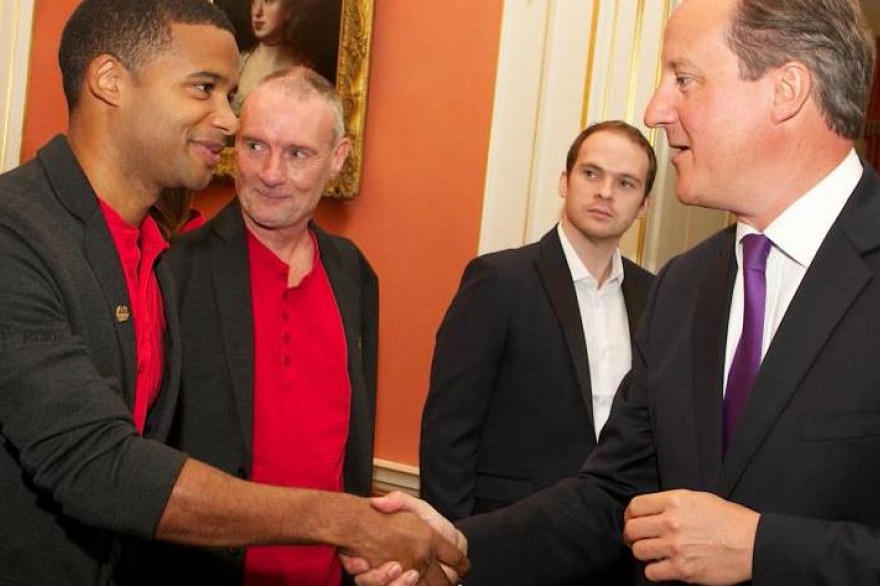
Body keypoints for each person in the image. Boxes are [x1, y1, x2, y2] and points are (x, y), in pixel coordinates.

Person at [347, 0, 880, 584]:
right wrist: (456, 548)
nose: (656, 110)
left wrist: (763, 548)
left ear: (786, 90)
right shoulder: (684, 286)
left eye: (684, 78)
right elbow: (611, 495)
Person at [0, 1, 466, 585]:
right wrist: (349, 521)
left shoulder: (147, 251)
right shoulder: (18, 232)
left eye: (229, 96)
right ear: (110, 81)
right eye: (205, 88)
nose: (227, 121)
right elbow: (97, 464)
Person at [132, 66, 378, 586]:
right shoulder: (173, 270)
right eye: (255, 146)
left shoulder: (354, 274)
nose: (270, 173)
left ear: (338, 157)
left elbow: (353, 448)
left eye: (297, 154)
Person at [419, 122, 654, 531]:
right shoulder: (499, 280)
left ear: (643, 205)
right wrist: (454, 542)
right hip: (507, 532)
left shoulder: (654, 295)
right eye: (591, 173)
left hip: (615, 538)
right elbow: (449, 429)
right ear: (564, 181)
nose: (605, 192)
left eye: (625, 183)